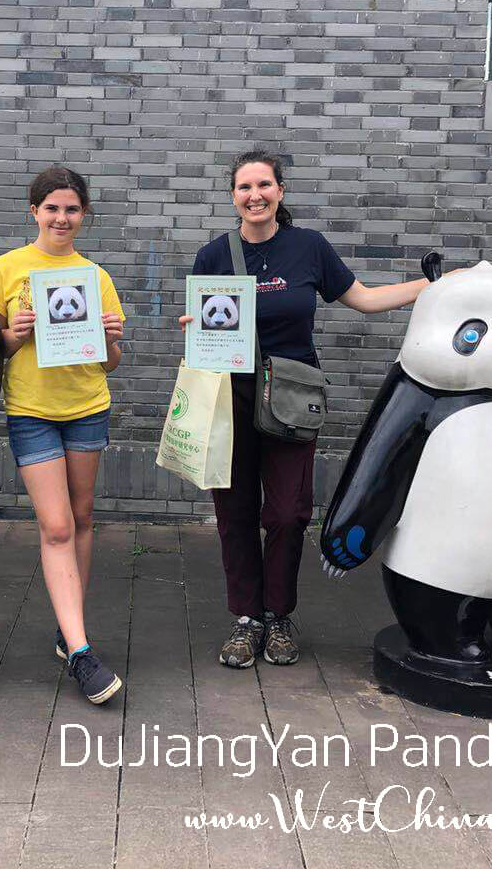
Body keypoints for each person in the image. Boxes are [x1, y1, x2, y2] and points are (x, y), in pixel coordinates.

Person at [182, 150, 434, 669]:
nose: (255, 195)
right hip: (229, 397)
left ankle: (278, 615)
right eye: (245, 187)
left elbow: (363, 298)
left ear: (280, 191)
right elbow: (205, 334)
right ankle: (247, 619)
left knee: (287, 514)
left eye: (264, 185)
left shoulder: (309, 248)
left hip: (293, 399)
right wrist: (195, 332)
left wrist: (433, 287)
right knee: (234, 514)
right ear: (233, 196)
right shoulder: (213, 256)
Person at [0, 166, 126, 704]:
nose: (61, 217)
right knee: (58, 526)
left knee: (83, 518)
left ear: (83, 215)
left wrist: (111, 340)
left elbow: (109, 364)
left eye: (71, 208)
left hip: (87, 406)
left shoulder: (96, 276)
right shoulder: (7, 269)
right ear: (33, 211)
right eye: (52, 207)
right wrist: (12, 336)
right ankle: (84, 656)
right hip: (32, 410)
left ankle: (70, 631)